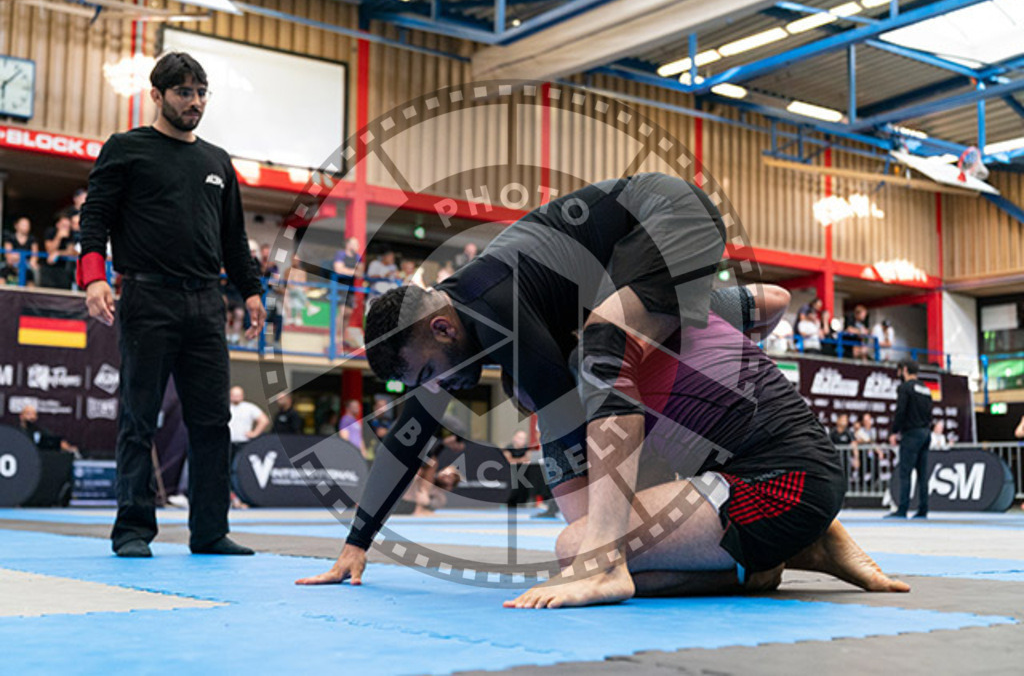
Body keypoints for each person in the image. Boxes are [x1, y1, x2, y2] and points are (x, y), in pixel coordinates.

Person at [296, 174, 906, 605]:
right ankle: (804, 546)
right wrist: (358, 543)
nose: (441, 391)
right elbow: (412, 430)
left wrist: (597, 556)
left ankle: (724, 557)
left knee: (601, 360)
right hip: (660, 275)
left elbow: (570, 448)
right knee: (614, 354)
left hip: (672, 218)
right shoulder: (481, 319)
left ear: (440, 327)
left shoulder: (502, 315)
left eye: (430, 372)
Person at [78, 52, 266, 558]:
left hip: (206, 304)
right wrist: (95, 277)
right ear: (157, 95)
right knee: (139, 418)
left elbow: (234, 238)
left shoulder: (217, 162)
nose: (196, 102)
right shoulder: (126, 149)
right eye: (185, 92)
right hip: (146, 296)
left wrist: (251, 292)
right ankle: (133, 530)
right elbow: (94, 218)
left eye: (202, 92)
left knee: (212, 422)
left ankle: (209, 530)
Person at [886, 359, 934, 519]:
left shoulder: (905, 388)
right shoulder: (926, 389)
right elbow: (929, 413)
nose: (898, 374)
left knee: (905, 472)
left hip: (912, 434)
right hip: (926, 432)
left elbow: (901, 411)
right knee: (922, 474)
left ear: (904, 369)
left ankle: (902, 509)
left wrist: (894, 431)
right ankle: (923, 509)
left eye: (899, 371)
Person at [40, 213, 77, 289]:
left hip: (64, 270)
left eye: (68, 226)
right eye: (64, 226)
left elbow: (71, 252)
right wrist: (58, 237)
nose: (66, 228)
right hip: (48, 268)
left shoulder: (71, 234)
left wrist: (58, 253)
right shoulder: (50, 232)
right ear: (58, 225)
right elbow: (49, 250)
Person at [3, 217, 39, 285]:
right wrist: (19, 259)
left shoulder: (32, 239)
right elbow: (8, 255)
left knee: (31, 281)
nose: (26, 227)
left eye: (27, 225)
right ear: (16, 226)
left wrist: (31, 261)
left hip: (26, 267)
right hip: (11, 266)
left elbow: (35, 255)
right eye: (23, 225)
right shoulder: (10, 238)